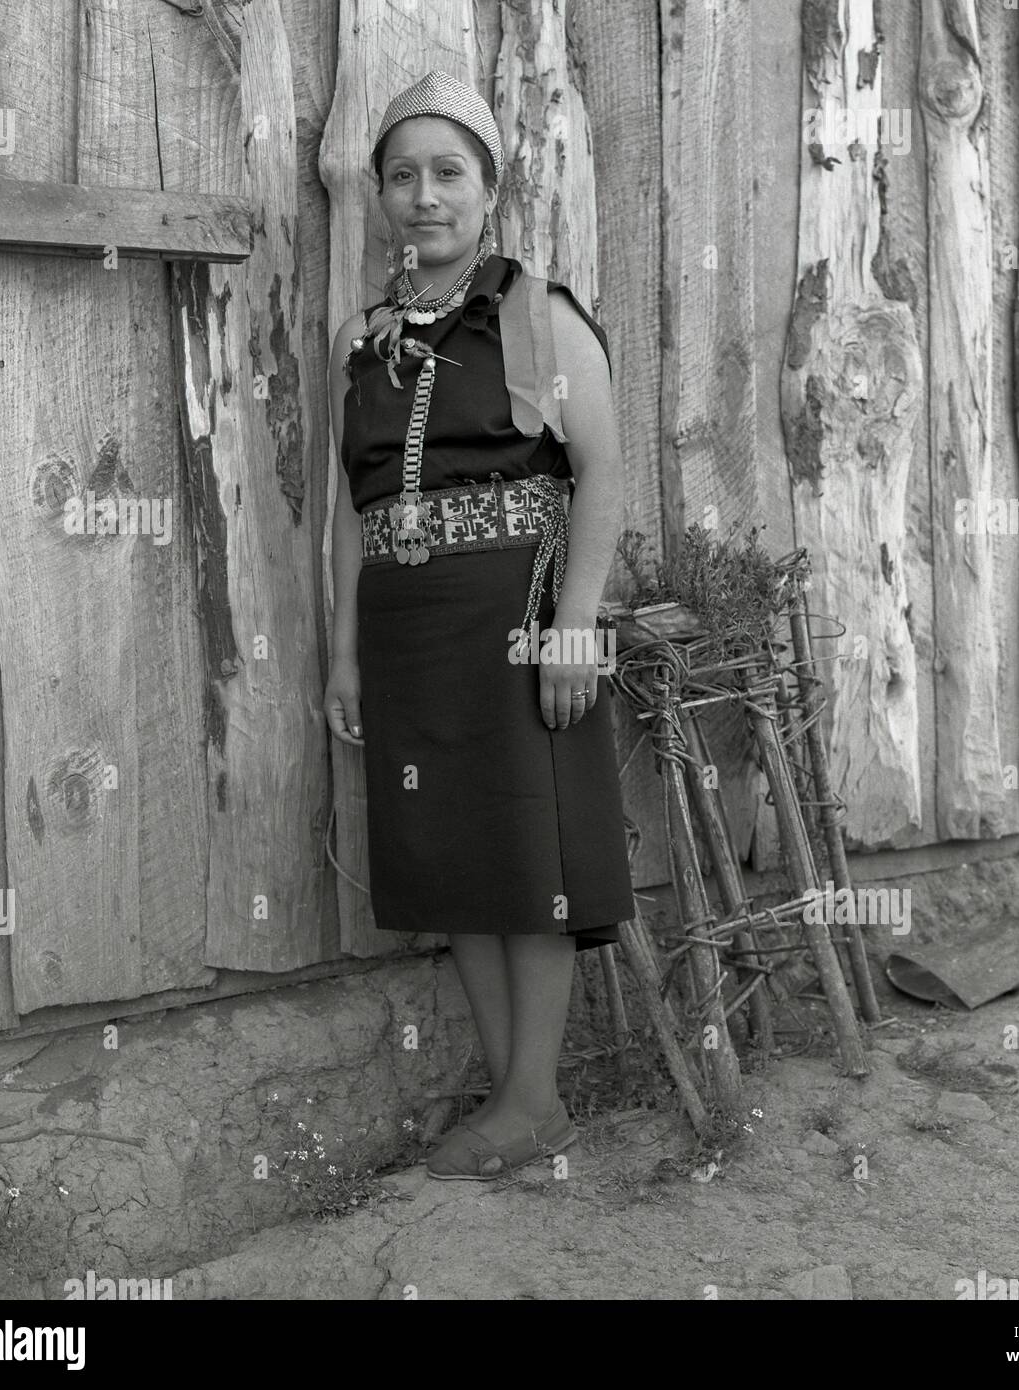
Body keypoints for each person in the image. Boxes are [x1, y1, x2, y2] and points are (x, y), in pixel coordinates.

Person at [324, 71, 635, 1180]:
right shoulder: (369, 345)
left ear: (489, 190)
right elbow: (351, 520)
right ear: (380, 197)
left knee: (526, 849)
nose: (424, 195)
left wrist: (575, 626)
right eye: (401, 175)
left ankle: (529, 1097)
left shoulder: (535, 312)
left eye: (448, 171)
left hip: (516, 621)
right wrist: (348, 660)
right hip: (409, 635)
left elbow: (599, 473)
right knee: (455, 860)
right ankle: (523, 1106)